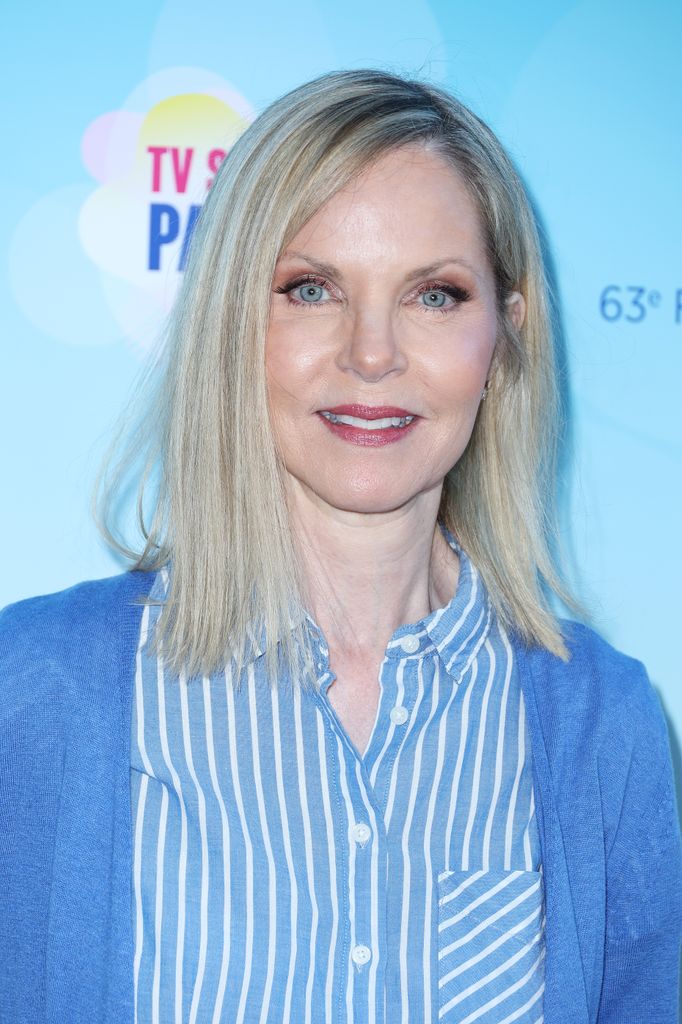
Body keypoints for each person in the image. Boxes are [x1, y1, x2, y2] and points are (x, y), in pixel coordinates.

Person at [1, 68, 680, 1024]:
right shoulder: (30, 694)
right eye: (312, 288)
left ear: (506, 337)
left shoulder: (604, 725)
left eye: (435, 295)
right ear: (234, 323)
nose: (372, 354)